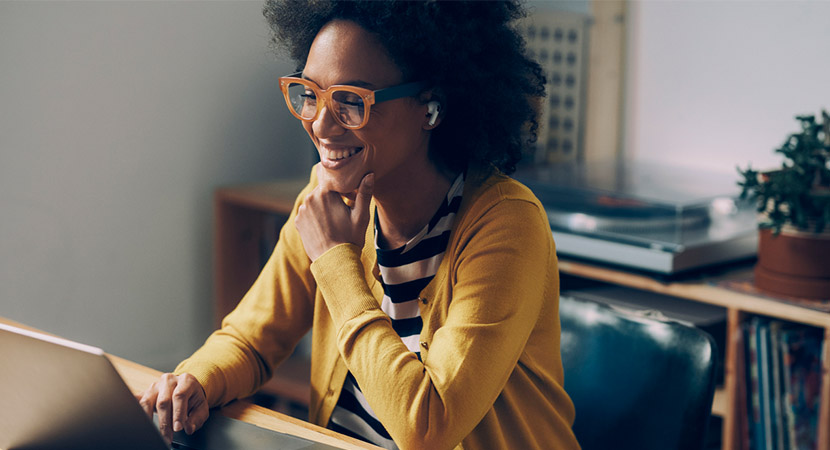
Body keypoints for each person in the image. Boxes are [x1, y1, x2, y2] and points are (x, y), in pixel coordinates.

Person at [138, 1, 580, 449]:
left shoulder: (505, 224)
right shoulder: (326, 197)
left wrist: (336, 262)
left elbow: (427, 427)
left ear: (431, 107)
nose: (321, 124)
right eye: (310, 93)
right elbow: (251, 340)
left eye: (351, 101)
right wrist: (196, 378)